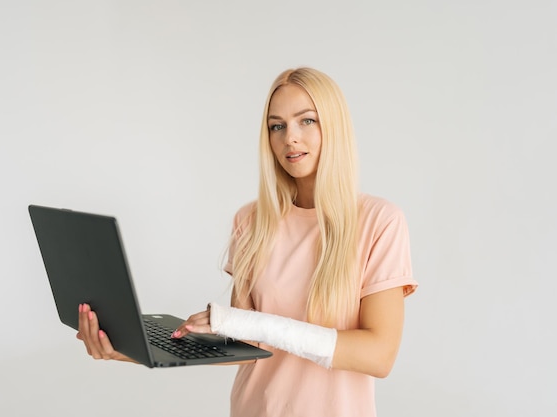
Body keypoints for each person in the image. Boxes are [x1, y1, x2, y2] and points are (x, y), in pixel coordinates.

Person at [77, 67, 418, 417]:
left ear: (334, 126)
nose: (290, 138)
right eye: (277, 126)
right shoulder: (252, 221)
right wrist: (132, 348)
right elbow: (246, 344)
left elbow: (379, 355)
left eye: (307, 121)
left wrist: (246, 322)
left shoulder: (380, 221)